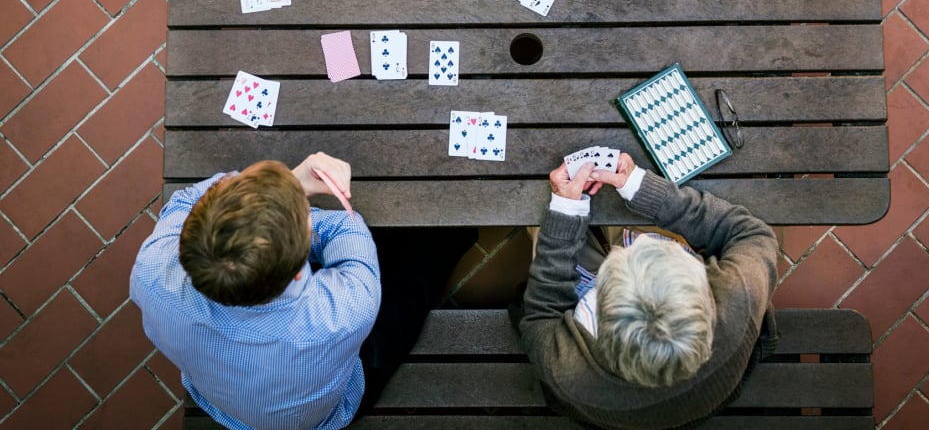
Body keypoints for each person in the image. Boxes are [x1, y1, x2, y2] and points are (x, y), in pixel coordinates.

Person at [130, 153, 474, 429]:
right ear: (299, 275)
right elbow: (349, 227)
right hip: (328, 413)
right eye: (306, 222)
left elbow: (187, 199)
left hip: (228, 408)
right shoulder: (343, 311)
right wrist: (291, 192)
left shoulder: (150, 272)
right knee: (417, 271)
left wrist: (279, 201)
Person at [514, 153, 779, 430]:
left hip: (610, 408)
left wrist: (565, 210)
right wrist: (641, 188)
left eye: (615, 268)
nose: (624, 249)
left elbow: (541, 317)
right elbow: (753, 235)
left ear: (600, 317)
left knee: (546, 217)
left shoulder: (566, 370)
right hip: (701, 396)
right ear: (704, 293)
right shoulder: (738, 300)